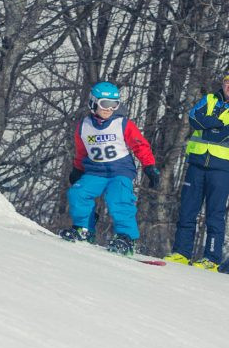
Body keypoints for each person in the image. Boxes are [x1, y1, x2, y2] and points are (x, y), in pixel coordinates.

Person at [165, 66, 229, 271]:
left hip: (220, 169)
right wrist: (216, 124)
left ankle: (211, 259)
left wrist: (208, 127)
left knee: (214, 213)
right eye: (228, 81)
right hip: (196, 163)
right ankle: (181, 253)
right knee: (187, 210)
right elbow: (194, 118)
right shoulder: (209, 99)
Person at [60, 81, 160, 256]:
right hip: (95, 172)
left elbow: (140, 146)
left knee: (119, 199)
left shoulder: (122, 124)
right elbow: (82, 151)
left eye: (114, 105)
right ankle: (84, 229)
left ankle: (126, 238)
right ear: (93, 102)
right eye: (105, 104)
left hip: (120, 171)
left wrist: (149, 166)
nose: (109, 109)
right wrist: (77, 169)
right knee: (77, 193)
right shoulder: (84, 126)